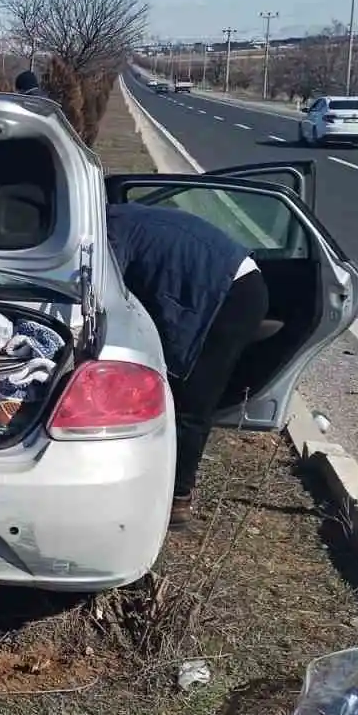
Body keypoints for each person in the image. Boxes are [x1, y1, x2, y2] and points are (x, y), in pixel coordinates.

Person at [105, 201, 269, 529]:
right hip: (225, 284)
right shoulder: (120, 218)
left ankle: (177, 501)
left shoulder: (108, 231)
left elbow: (104, 296)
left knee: (193, 399)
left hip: (232, 295)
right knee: (174, 387)